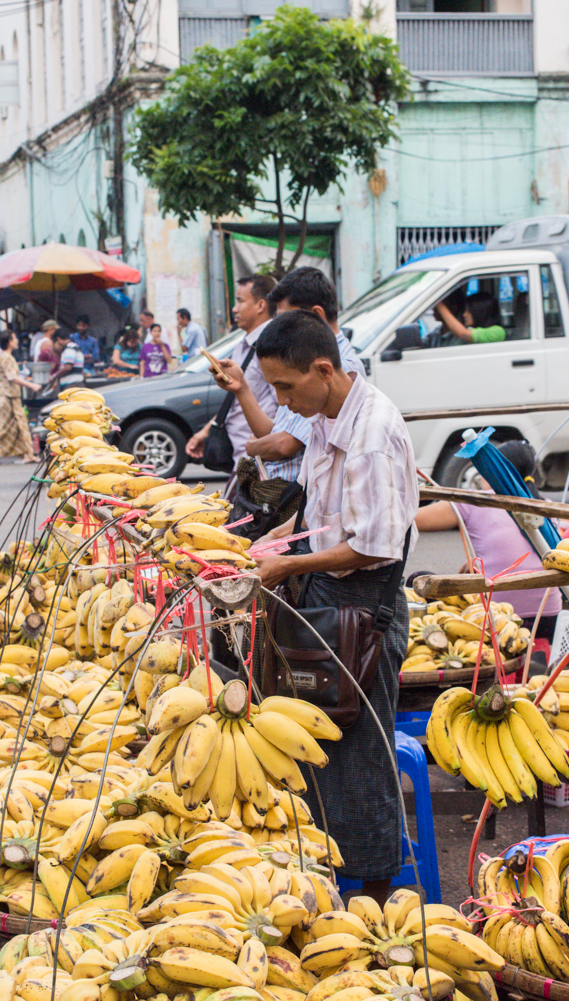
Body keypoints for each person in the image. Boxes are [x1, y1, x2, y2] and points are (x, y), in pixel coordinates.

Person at [249, 309, 418, 905]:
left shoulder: (371, 434)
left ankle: (372, 893)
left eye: (288, 387)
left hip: (364, 606)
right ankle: (323, 878)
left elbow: (373, 544)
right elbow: (323, 513)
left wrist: (290, 565)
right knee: (315, 743)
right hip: (326, 596)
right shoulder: (324, 418)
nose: (283, 402)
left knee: (360, 752)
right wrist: (283, 536)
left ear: (324, 368)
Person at [213, 267, 363, 482]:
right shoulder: (306, 359)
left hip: (292, 495)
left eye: (286, 321)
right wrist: (241, 388)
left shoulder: (341, 367)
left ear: (315, 316)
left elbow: (284, 444)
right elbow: (275, 432)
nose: (282, 400)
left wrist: (252, 447)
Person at [412, 440, 561, 633]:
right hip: (549, 619)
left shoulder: (475, 500)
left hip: (497, 619)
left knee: (418, 579)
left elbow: (411, 519)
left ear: (491, 469)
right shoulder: (548, 505)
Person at [186, 274, 278, 467]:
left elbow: (284, 408)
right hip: (241, 457)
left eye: (240, 301)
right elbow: (235, 401)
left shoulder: (272, 345)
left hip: (260, 461)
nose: (234, 309)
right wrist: (205, 432)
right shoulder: (243, 345)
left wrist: (266, 443)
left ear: (261, 305)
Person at [0, 331, 41, 463]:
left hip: (11, 395)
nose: (16, 340)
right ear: (10, 342)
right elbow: (12, 377)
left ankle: (28, 454)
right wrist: (31, 385)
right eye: (15, 338)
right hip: (4, 396)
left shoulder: (7, 357)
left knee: (20, 425)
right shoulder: (6, 357)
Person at [436, 290, 506, 343]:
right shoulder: (471, 329)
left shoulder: (498, 331)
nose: (464, 315)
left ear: (480, 312)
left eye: (469, 311)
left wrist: (439, 304)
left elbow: (463, 334)